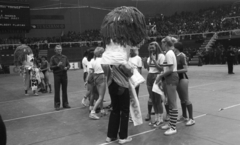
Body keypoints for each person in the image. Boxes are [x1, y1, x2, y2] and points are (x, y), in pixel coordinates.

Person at [100, 6, 147, 144]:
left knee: (115, 108)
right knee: (124, 110)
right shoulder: (124, 43)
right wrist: (131, 70)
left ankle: (111, 135)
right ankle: (123, 136)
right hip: (120, 75)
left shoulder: (109, 42)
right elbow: (127, 67)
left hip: (109, 75)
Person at [156, 36, 179, 135]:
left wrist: (160, 76)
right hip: (169, 77)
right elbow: (166, 69)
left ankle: (173, 127)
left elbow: (170, 69)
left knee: (172, 103)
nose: (161, 45)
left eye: (162, 43)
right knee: (170, 102)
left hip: (171, 77)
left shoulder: (169, 53)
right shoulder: (169, 53)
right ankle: (171, 124)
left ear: (165, 43)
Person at [174, 42, 195, 126]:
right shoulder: (175, 55)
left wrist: (174, 71)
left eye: (174, 47)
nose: (173, 48)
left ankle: (191, 118)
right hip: (177, 78)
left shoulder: (182, 55)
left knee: (186, 99)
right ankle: (184, 116)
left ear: (177, 48)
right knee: (181, 98)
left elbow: (186, 69)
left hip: (183, 78)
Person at [145, 42, 165, 128]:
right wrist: (146, 63)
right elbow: (149, 68)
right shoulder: (150, 56)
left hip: (157, 76)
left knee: (158, 100)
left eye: (153, 47)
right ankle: (156, 119)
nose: (151, 49)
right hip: (149, 76)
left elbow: (161, 69)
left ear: (157, 47)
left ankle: (160, 119)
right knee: (153, 99)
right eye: (150, 48)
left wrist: (153, 60)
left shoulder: (161, 56)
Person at [50, 45, 71, 111]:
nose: (59, 50)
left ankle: (65, 104)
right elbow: (51, 67)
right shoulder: (53, 58)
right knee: (57, 90)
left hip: (64, 74)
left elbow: (68, 65)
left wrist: (67, 68)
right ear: (55, 50)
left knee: (64, 90)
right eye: (58, 49)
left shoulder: (65, 57)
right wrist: (57, 66)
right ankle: (57, 105)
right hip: (57, 75)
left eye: (60, 49)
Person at [88, 47, 107, 119]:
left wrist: (87, 80)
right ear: (101, 53)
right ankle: (93, 112)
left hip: (95, 77)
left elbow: (90, 71)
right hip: (101, 76)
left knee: (99, 95)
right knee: (101, 97)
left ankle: (102, 110)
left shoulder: (92, 60)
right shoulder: (103, 60)